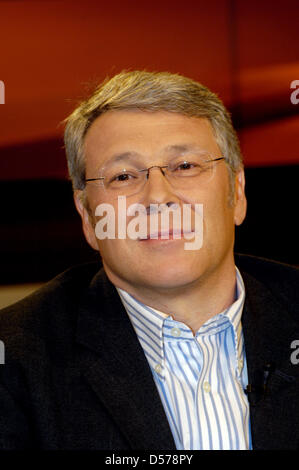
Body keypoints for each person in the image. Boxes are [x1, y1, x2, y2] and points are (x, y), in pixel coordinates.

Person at [0, 71, 298, 450]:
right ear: (88, 217)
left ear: (236, 193)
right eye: (123, 176)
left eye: (185, 166)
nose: (158, 197)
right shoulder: (15, 363)